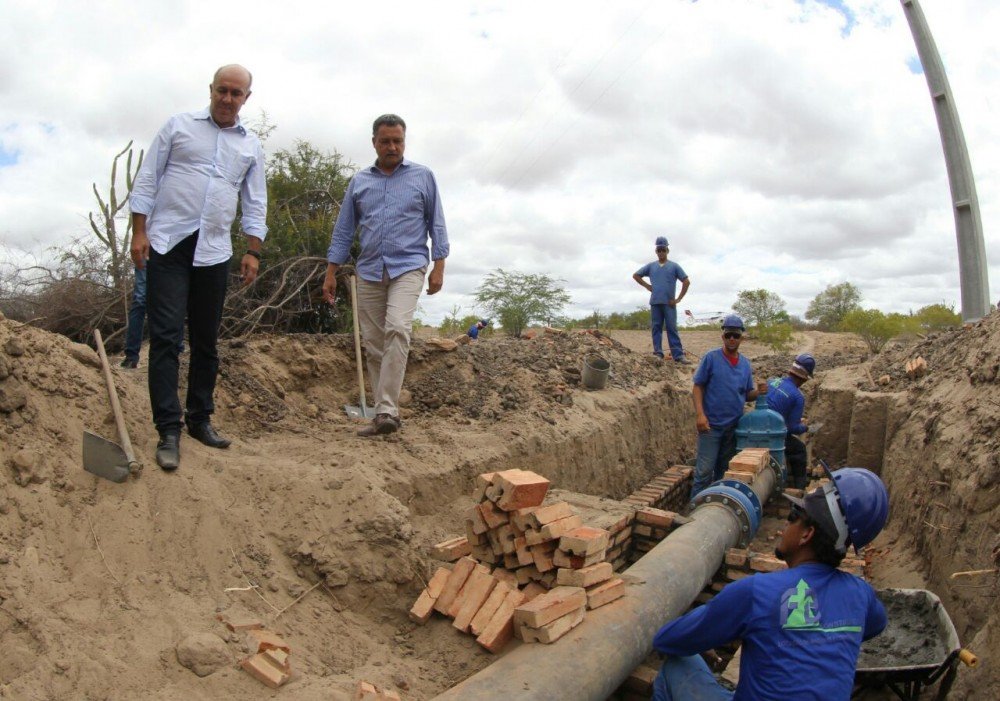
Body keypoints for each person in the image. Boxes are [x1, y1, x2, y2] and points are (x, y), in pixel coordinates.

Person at [129, 64, 267, 470]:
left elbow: (255, 200)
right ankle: (168, 429)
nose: (227, 98)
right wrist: (139, 231)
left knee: (207, 340)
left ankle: (199, 419)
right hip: (169, 243)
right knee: (167, 337)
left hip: (214, 250)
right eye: (222, 90)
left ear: (246, 98)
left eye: (236, 93)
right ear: (211, 89)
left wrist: (253, 250)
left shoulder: (250, 145)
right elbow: (148, 177)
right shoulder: (179, 126)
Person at [652, 467, 890, 701]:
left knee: (676, 665)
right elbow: (876, 624)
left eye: (793, 516)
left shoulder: (757, 592)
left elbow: (668, 640)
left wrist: (707, 634)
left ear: (806, 534)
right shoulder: (861, 594)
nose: (785, 525)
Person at [322, 114, 449, 437]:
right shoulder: (360, 182)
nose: (392, 147)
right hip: (369, 270)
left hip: (409, 265)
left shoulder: (423, 176)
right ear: (374, 143)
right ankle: (383, 414)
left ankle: (388, 409)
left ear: (404, 142)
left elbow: (437, 223)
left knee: (397, 328)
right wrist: (331, 272)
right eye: (385, 141)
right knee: (374, 344)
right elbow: (344, 230)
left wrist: (439, 266)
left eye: (398, 141)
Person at [691, 314, 763, 498]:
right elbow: (698, 387)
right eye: (728, 335)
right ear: (722, 336)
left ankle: (714, 505)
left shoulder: (745, 364)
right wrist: (700, 415)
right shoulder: (711, 358)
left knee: (723, 472)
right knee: (704, 472)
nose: (732, 339)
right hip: (711, 426)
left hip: (733, 428)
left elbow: (746, 395)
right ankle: (695, 507)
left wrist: (759, 392)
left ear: (741, 338)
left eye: (736, 335)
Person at [633, 236, 690, 363]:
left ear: (667, 250)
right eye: (659, 250)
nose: (661, 252)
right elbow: (636, 275)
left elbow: (686, 281)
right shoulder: (651, 266)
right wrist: (647, 286)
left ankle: (678, 355)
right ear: (656, 251)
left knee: (671, 328)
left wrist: (678, 299)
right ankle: (658, 353)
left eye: (663, 250)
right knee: (656, 328)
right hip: (655, 302)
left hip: (669, 304)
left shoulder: (674, 266)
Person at [767, 354, 816, 489]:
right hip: (774, 436)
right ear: (804, 378)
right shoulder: (797, 396)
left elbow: (776, 408)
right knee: (799, 449)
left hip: (756, 428)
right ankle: (799, 488)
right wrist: (805, 427)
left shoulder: (772, 381)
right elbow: (792, 428)